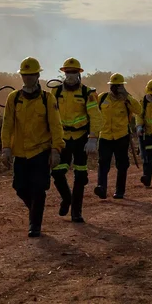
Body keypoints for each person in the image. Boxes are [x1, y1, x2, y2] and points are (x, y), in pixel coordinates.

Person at [1, 57, 65, 237]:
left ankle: (35, 224)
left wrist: (56, 149)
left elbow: (55, 126)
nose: (27, 78)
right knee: (19, 187)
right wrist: (6, 148)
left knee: (38, 189)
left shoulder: (47, 99)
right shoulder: (13, 99)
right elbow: (7, 125)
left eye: (31, 75)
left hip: (40, 151)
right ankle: (35, 211)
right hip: (20, 153)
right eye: (24, 75)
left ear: (37, 75)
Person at [50, 58, 103, 223]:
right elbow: (50, 117)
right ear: (63, 73)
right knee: (57, 173)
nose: (70, 75)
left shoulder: (87, 93)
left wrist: (93, 138)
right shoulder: (56, 93)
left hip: (81, 139)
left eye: (74, 72)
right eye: (68, 72)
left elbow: (96, 117)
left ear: (79, 74)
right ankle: (67, 199)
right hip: (62, 139)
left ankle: (76, 212)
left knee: (80, 176)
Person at [94, 73, 142, 199]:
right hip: (105, 136)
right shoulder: (102, 98)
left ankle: (119, 191)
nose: (115, 88)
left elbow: (139, 110)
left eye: (118, 86)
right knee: (103, 163)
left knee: (122, 164)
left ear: (122, 86)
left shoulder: (127, 100)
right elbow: (94, 114)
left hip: (121, 136)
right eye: (113, 86)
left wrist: (126, 96)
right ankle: (101, 187)